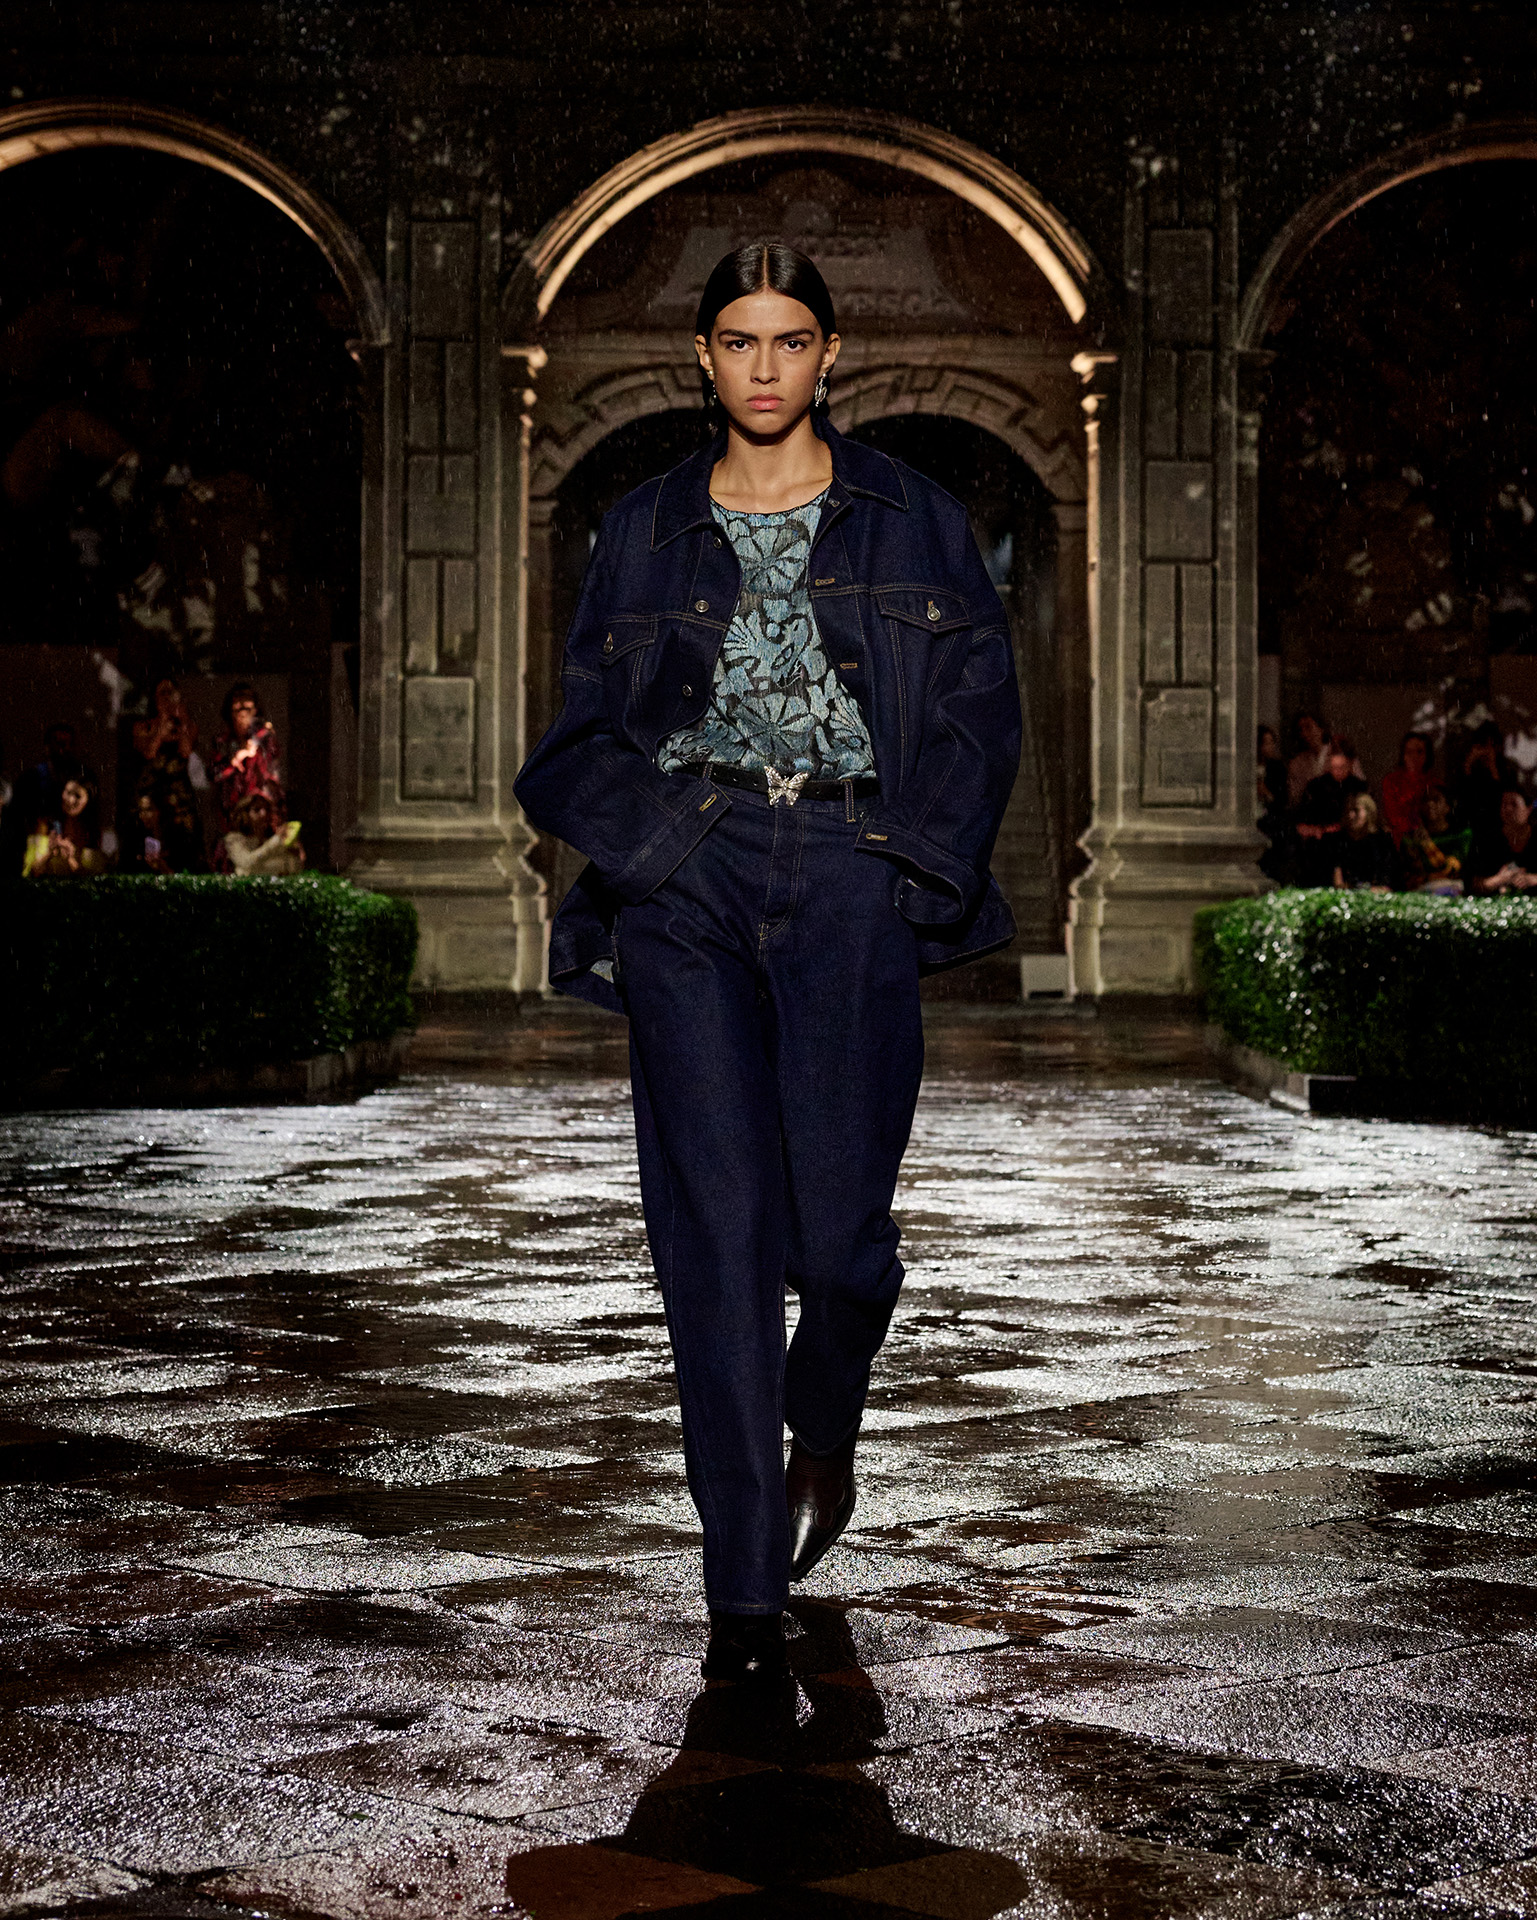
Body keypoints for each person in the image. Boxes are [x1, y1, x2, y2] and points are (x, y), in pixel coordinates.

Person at [513, 242, 1020, 1683]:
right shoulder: (645, 527)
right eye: (737, 341)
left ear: (828, 355)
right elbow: (579, 733)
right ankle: (741, 1583)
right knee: (718, 1229)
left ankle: (826, 1418)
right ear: (704, 357)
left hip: (854, 866)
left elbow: (982, 711)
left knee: (843, 1241)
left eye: (789, 340)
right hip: (691, 874)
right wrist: (659, 850)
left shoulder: (914, 518)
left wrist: (910, 864)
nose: (763, 366)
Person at [212, 683, 287, 868]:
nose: (242, 713)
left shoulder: (265, 738)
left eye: (247, 707)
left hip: (261, 810)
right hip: (233, 813)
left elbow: (273, 776)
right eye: (237, 708)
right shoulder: (223, 742)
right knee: (234, 861)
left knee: (265, 860)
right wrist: (236, 758)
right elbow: (216, 775)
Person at [1294, 738, 1367, 886]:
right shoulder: (1315, 786)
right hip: (1320, 845)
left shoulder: (1359, 788)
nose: (1337, 772)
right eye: (1334, 767)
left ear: (1351, 764)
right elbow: (1301, 822)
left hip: (1351, 843)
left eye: (1342, 767)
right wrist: (1316, 830)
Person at [1455, 720, 1516, 846]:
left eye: (1492, 745)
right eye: (1483, 745)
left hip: (1498, 828)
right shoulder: (1468, 769)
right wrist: (1468, 765)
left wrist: (1493, 767)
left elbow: (1505, 798)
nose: (1487, 750)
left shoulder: (1507, 770)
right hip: (1471, 827)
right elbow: (1462, 798)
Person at [1399, 787, 1471, 893]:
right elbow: (1409, 875)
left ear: (1448, 807)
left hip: (1452, 889)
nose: (1430, 804)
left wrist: (1428, 845)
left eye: (1436, 799)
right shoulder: (1410, 839)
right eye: (1425, 800)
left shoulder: (1461, 835)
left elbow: (1452, 870)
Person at [1466, 788, 1537, 894]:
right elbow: (1470, 883)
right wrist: (1499, 880)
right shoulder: (1486, 839)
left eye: (1514, 804)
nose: (1508, 809)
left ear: (1529, 809)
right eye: (1504, 804)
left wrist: (1532, 879)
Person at [223, 791, 305, 875]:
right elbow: (247, 865)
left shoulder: (272, 837)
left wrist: (294, 853)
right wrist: (275, 841)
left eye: (267, 810)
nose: (264, 814)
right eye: (257, 810)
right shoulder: (233, 839)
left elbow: (293, 869)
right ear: (244, 814)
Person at [1380, 732, 1438, 847]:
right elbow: (1393, 816)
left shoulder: (1434, 784)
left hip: (1431, 841)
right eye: (1409, 752)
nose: (1414, 757)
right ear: (1403, 755)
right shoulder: (1392, 781)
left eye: (1419, 752)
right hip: (1400, 842)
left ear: (1427, 755)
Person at [1332, 792, 1395, 891]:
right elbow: (1338, 881)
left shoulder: (1382, 841)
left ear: (1369, 813)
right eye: (1348, 811)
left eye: (1356, 810)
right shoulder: (1341, 841)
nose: (1350, 815)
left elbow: (1387, 883)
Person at [1256, 725, 1288, 880]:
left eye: (1271, 742)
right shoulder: (1247, 766)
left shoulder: (1277, 768)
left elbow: (1282, 800)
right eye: (1265, 743)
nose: (1268, 747)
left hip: (1271, 818)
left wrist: (1266, 792)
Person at [1286, 713, 1332, 808]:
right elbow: (1294, 798)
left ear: (1321, 729)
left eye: (1308, 727)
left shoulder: (1338, 753)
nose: (1304, 734)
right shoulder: (1296, 763)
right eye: (1300, 730)